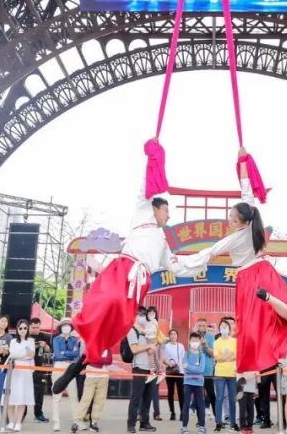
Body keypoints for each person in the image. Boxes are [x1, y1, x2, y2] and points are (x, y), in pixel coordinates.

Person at [176, 150, 287, 374]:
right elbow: (246, 188)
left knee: (252, 323)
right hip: (265, 271)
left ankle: (264, 357)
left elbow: (209, 253)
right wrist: (242, 161)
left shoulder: (236, 237)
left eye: (233, 219)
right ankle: (277, 349)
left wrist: (179, 263)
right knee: (283, 310)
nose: (230, 221)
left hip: (250, 277)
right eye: (230, 216)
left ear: (243, 221)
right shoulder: (251, 219)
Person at [54, 173, 186, 394]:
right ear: (154, 209)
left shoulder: (163, 244)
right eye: (166, 210)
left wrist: (207, 255)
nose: (168, 215)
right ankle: (82, 353)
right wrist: (154, 159)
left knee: (121, 323)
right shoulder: (142, 218)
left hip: (139, 281)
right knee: (107, 302)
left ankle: (80, 362)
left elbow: (179, 267)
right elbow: (144, 189)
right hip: (123, 270)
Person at [4, 319, 35, 433]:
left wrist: (20, 354)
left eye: (25, 328)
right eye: (20, 328)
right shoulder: (13, 341)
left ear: (28, 329)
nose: (22, 330)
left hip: (25, 372)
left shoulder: (31, 341)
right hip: (14, 370)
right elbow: (12, 354)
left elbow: (31, 355)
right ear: (17, 329)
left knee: (22, 397)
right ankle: (11, 421)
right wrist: (24, 354)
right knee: (10, 396)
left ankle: (18, 422)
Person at [52, 318, 83, 430]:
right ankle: (56, 422)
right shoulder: (56, 339)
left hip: (70, 367)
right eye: (64, 325)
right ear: (60, 327)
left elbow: (77, 354)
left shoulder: (74, 339)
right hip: (58, 366)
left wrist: (64, 352)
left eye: (68, 325)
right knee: (56, 396)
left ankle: (77, 421)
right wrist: (68, 353)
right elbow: (57, 355)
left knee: (73, 396)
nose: (66, 327)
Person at [213, 319, 238, 432]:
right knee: (219, 398)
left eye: (225, 325)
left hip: (232, 373)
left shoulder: (234, 341)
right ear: (219, 328)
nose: (224, 327)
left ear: (229, 328)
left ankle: (233, 423)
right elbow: (217, 358)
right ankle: (218, 422)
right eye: (222, 325)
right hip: (219, 373)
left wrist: (223, 356)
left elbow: (236, 356)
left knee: (232, 399)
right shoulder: (216, 342)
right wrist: (228, 355)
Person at [182, 333, 208, 434]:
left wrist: (188, 366)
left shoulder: (202, 355)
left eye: (197, 341)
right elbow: (185, 369)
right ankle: (184, 427)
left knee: (200, 405)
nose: (195, 342)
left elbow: (201, 370)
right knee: (186, 404)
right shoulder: (186, 354)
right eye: (193, 340)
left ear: (199, 342)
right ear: (189, 342)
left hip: (199, 383)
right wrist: (191, 368)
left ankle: (202, 427)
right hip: (187, 383)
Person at [28, 318, 53, 424]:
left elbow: (49, 350)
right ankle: (21, 414)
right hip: (26, 367)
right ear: (29, 326)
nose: (35, 329)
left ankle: (38, 414)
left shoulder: (44, 336)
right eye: (33, 327)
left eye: (37, 327)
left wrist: (45, 345)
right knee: (24, 391)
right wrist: (36, 345)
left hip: (39, 368)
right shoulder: (25, 335)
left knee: (39, 393)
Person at [163, 329, 185, 421]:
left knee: (181, 392)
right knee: (170, 392)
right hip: (170, 371)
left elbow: (184, 358)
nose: (173, 336)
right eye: (171, 334)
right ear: (169, 336)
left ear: (177, 336)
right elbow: (163, 358)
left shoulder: (181, 346)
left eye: (174, 334)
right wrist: (168, 363)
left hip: (180, 371)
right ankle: (172, 412)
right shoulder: (166, 346)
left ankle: (182, 413)